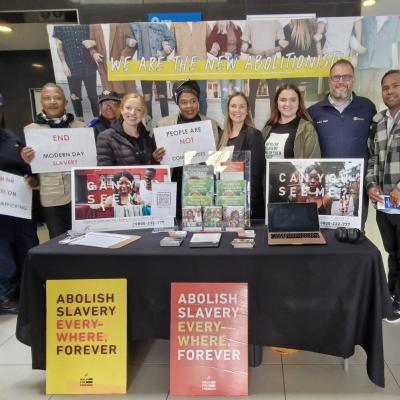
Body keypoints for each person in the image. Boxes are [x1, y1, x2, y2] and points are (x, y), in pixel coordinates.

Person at [308, 59, 376, 226]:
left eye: (346, 77)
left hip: (356, 188)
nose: (341, 82)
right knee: (323, 233)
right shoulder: (313, 112)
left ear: (353, 79)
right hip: (324, 188)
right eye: (336, 77)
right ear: (329, 80)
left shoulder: (367, 107)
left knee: (355, 234)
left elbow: (376, 147)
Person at [21, 83, 86, 239]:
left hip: (81, 193)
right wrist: (26, 161)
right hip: (52, 196)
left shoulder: (81, 128)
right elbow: (30, 172)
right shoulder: (31, 130)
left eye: (57, 98)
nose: (52, 102)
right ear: (41, 102)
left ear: (65, 102)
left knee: (85, 238)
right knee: (59, 241)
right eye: (47, 98)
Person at [156, 80, 220, 216]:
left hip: (204, 187)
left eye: (193, 101)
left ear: (198, 101)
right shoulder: (164, 125)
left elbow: (220, 156)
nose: (189, 106)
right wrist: (155, 158)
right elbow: (155, 163)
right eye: (184, 102)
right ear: (177, 103)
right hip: (177, 186)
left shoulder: (212, 125)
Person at [366, 69, 400, 323]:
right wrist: (370, 185)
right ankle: (391, 294)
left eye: (395, 86)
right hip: (384, 204)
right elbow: (372, 158)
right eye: (385, 88)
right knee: (392, 251)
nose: (390, 91)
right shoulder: (378, 120)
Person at [0, 128, 38, 314]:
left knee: (26, 244)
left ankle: (25, 290)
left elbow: (27, 167)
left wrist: (32, 178)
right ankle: (5, 295)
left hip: (19, 203)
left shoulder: (11, 137)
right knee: (3, 250)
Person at [218, 92, 265, 218]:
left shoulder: (254, 135)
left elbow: (255, 176)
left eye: (242, 106)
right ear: (228, 109)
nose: (237, 110)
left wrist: (244, 205)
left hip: (246, 207)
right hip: (225, 202)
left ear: (247, 111)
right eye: (233, 106)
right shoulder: (222, 136)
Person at [96, 93, 165, 166]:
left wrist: (154, 159)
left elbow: (150, 168)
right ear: (121, 110)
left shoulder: (146, 138)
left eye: (138, 110)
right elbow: (105, 171)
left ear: (143, 114)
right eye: (128, 108)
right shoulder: (106, 138)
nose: (132, 113)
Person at [241, 19, 288, 116]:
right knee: (252, 94)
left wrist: (272, 51)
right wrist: (256, 52)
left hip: (271, 64)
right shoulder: (250, 23)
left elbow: (283, 44)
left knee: (273, 94)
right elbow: (243, 47)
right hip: (255, 64)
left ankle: (274, 118)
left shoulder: (276, 22)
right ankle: (251, 119)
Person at [129, 22, 176, 118]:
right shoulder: (133, 24)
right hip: (144, 66)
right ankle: (149, 122)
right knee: (147, 97)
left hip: (159, 64)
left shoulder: (160, 24)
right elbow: (125, 37)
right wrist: (128, 41)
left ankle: (165, 122)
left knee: (162, 96)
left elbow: (172, 40)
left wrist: (163, 52)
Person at [262, 84, 321, 159]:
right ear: (277, 102)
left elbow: (313, 162)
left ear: (299, 103)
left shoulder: (307, 129)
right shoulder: (267, 128)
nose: (288, 104)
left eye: (293, 100)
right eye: (283, 100)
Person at [52, 25, 98, 120]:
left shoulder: (86, 24)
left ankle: (97, 119)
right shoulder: (59, 27)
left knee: (93, 95)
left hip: (89, 65)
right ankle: (80, 120)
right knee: (75, 96)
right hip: (72, 66)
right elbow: (59, 46)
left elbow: (96, 38)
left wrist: (93, 44)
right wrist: (64, 64)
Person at [171, 22, 211, 115]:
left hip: (201, 64)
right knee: (183, 96)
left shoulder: (204, 23)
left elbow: (212, 40)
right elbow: (170, 41)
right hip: (183, 65)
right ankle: (186, 120)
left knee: (202, 95)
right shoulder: (175, 24)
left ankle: (203, 119)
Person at [86, 23, 137, 96]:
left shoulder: (122, 23)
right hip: (104, 66)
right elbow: (91, 43)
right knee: (110, 97)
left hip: (120, 65)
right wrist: (94, 53)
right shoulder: (93, 25)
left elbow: (133, 43)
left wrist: (124, 55)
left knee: (126, 96)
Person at [206, 21, 242, 115]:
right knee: (225, 93)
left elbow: (242, 43)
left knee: (237, 91)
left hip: (235, 60)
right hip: (223, 61)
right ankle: (225, 117)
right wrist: (222, 53)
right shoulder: (217, 28)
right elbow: (208, 45)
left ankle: (236, 115)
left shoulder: (237, 28)